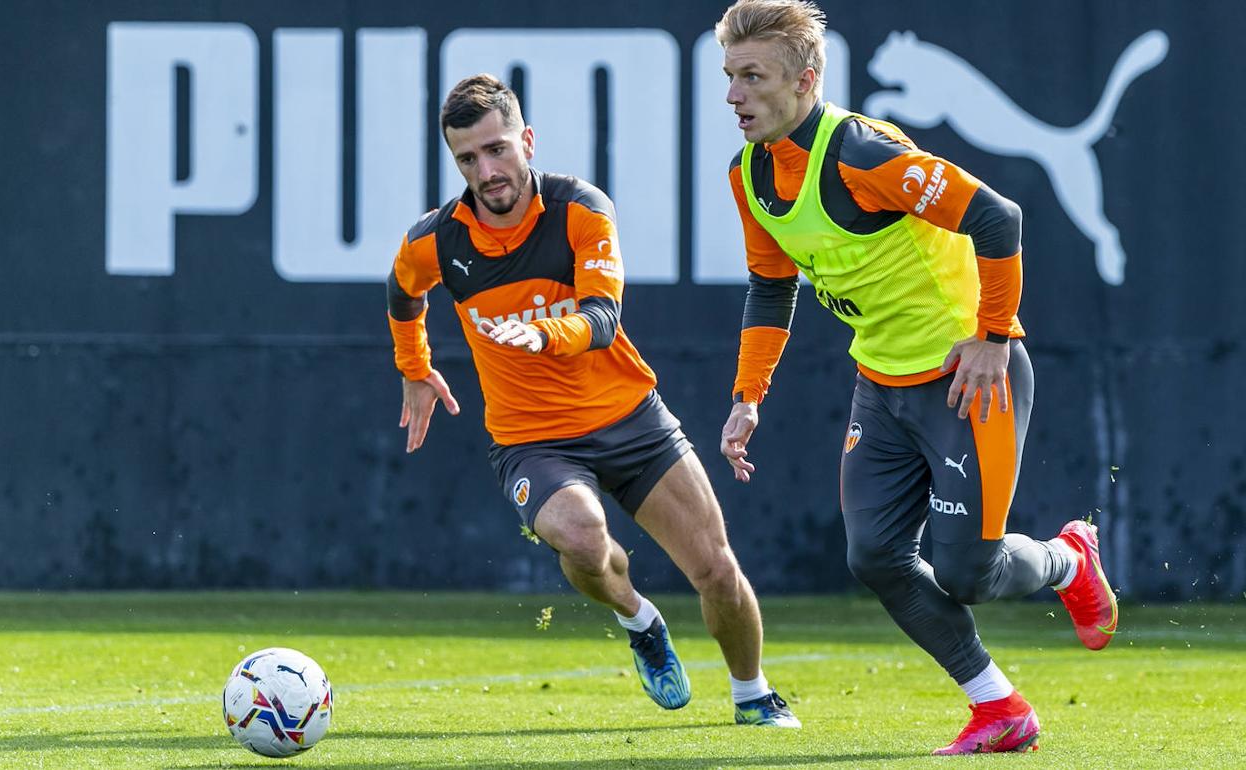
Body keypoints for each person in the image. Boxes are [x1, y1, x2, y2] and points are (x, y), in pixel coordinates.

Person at [712, 0, 1118, 754]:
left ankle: (1068, 559)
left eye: (752, 77)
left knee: (968, 575)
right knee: (874, 555)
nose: (733, 94)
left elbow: (998, 217)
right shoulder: (749, 174)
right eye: (730, 75)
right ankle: (999, 708)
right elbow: (771, 287)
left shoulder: (863, 155)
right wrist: (747, 397)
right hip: (881, 386)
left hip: (968, 379)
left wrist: (993, 337)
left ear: (805, 81)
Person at [386, 73, 799, 727]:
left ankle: (753, 694)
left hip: (629, 418)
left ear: (527, 141)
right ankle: (640, 620)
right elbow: (404, 291)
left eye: (496, 149)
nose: (486, 172)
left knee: (716, 570)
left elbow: (603, 317)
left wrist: (545, 334)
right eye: (467, 159)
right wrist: (414, 367)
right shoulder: (437, 239)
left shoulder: (580, 207)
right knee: (581, 538)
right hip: (530, 441)